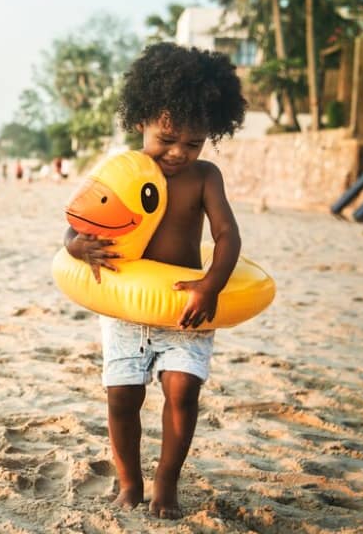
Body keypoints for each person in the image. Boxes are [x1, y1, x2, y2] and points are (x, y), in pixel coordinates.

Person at [64, 42, 246, 519]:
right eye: (167, 137)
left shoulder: (205, 177)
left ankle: (166, 482)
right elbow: (79, 225)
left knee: (183, 391)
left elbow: (227, 236)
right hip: (127, 307)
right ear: (142, 118)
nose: (178, 152)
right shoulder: (124, 170)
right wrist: (75, 246)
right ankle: (129, 482)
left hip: (185, 305)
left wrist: (210, 285)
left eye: (193, 143)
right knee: (123, 396)